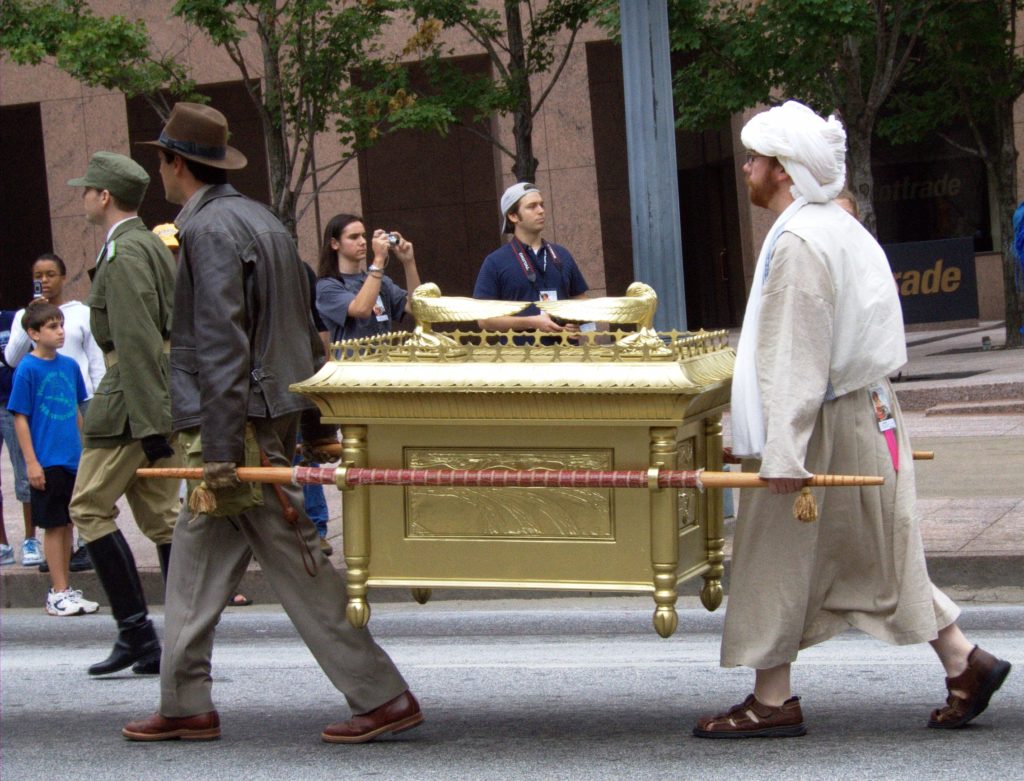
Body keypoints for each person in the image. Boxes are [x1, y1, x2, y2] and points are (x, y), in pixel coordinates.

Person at [693, 101, 1011, 739]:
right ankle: (963, 662)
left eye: (756, 158)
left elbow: (795, 357)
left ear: (783, 171)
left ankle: (772, 700)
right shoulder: (834, 227)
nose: (747, 167)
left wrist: (781, 450)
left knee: (772, 553)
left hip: (828, 420)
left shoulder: (801, 244)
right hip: (866, 410)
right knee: (879, 553)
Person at [123, 102, 421, 743]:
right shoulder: (263, 220)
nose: (161, 169)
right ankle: (183, 701)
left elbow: (223, 342)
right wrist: (312, 421)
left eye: (162, 159)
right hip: (263, 411)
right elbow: (298, 333)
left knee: (293, 556)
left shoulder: (205, 230)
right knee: (196, 563)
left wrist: (223, 448)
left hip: (238, 422)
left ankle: (382, 694)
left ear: (176, 163)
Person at [65, 151, 180, 676]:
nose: (84, 196)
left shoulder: (126, 253)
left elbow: (135, 342)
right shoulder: (145, 245)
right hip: (153, 396)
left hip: (132, 399)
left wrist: (151, 425)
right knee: (161, 518)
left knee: (88, 507)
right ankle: (179, 637)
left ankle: (138, 634)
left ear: (104, 196)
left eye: (88, 189)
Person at [6, 252, 105, 574]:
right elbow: (12, 358)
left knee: (74, 504)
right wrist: (28, 317)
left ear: (64, 277)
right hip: (46, 438)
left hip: (79, 407)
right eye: (39, 274)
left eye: (51, 274)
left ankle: (78, 552)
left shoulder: (80, 315)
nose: (46, 280)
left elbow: (94, 362)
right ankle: (57, 574)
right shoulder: (28, 328)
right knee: (52, 513)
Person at [472, 182, 588, 334]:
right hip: (521, 355)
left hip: (565, 354)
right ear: (513, 216)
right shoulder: (495, 262)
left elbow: (582, 300)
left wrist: (574, 321)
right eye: (532, 206)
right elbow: (484, 319)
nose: (540, 211)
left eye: (542, 205)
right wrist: (532, 322)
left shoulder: (562, 254)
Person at [315, 213, 421, 344]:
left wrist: (408, 262)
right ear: (335, 244)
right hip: (352, 363)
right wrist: (379, 259)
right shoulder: (327, 286)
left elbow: (416, 308)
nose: (363, 242)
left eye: (364, 236)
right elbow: (361, 309)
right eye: (354, 237)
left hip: (384, 360)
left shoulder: (380, 280)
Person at [1, 309, 36, 567]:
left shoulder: (13, 318)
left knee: (24, 474)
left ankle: (30, 539)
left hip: (11, 403)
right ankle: (2, 545)